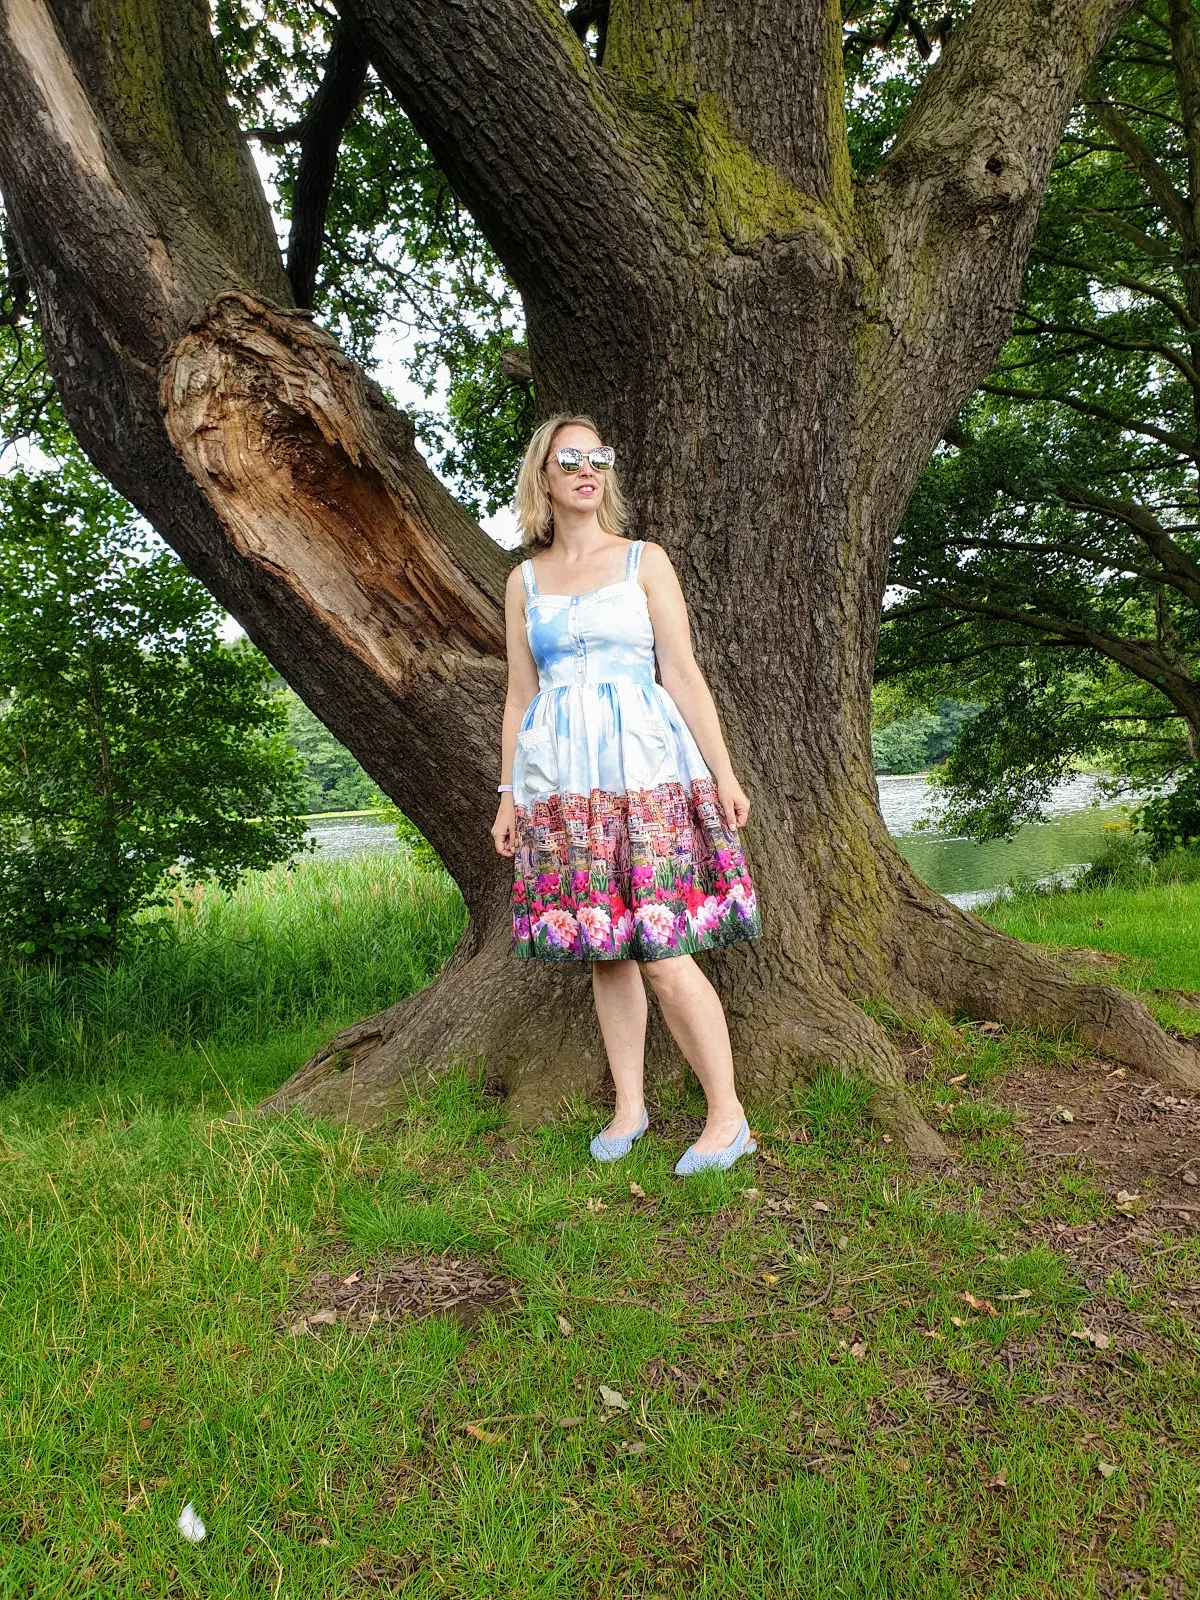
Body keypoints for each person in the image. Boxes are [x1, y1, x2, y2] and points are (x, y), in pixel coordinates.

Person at [490, 413, 763, 1175]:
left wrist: (725, 773)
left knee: (664, 952)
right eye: (569, 458)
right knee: (603, 950)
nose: (586, 469)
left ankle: (727, 1115)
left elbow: (682, 675)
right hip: (563, 785)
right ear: (543, 475)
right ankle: (629, 1106)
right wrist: (509, 796)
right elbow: (520, 694)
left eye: (598, 457)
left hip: (643, 773)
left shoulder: (646, 561)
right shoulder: (525, 581)